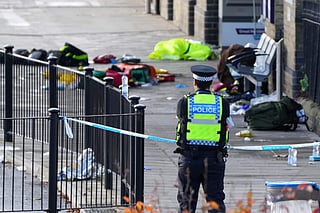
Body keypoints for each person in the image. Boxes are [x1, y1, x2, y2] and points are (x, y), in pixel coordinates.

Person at [174, 65, 231, 213]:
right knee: (215, 200)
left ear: (195, 82)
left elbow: (180, 127)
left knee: (186, 201)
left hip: (189, 159)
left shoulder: (185, 102)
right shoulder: (222, 103)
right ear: (210, 83)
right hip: (214, 159)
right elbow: (226, 129)